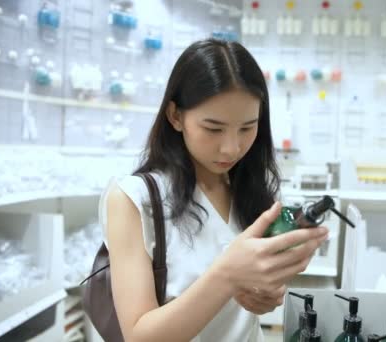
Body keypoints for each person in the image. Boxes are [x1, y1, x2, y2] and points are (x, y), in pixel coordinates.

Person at [100, 38, 329, 341]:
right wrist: (228, 275)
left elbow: (249, 303)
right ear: (175, 116)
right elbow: (139, 336)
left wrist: (266, 291)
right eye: (213, 128)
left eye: (247, 127)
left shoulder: (254, 191)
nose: (232, 147)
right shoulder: (134, 200)